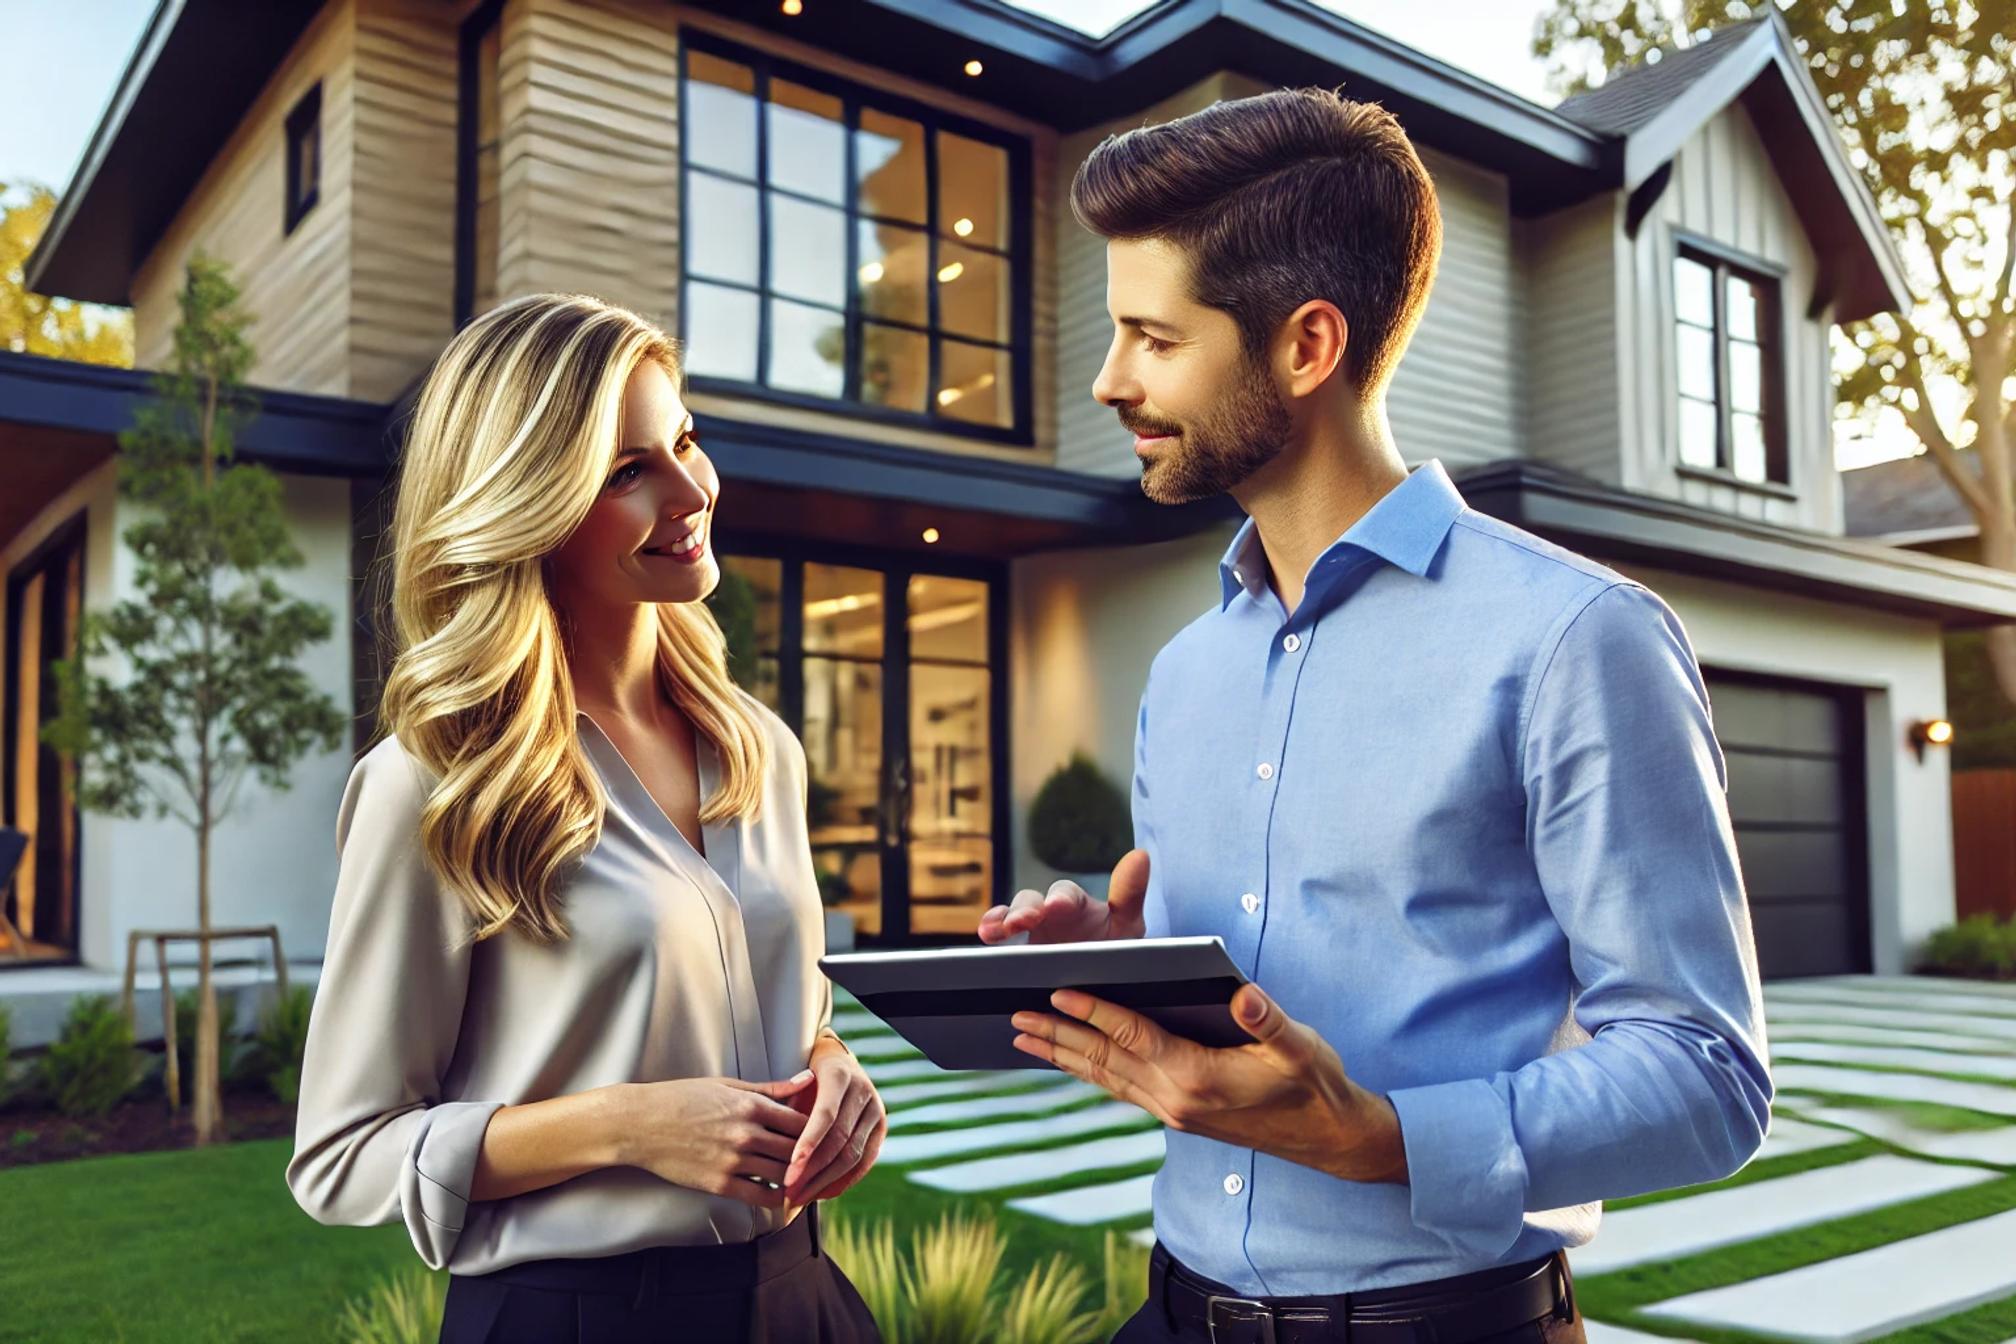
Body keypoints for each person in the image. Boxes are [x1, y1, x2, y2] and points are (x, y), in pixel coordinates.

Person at [979, 88, 1771, 1344]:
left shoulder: (1577, 638)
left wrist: (1385, 1140)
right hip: (1172, 1314)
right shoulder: (1185, 671)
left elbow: (1707, 1076)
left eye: (1154, 338)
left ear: (1306, 346)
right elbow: (1242, 1044)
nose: (1108, 378)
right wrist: (1125, 963)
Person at [286, 293, 885, 1343]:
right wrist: (624, 1127)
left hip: (803, 1299)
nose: (689, 489)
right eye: (625, 473)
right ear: (529, 506)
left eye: (685, 440)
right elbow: (344, 1156)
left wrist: (832, 1069)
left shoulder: (760, 750)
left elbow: (771, 999)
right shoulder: (436, 783)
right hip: (577, 1317)